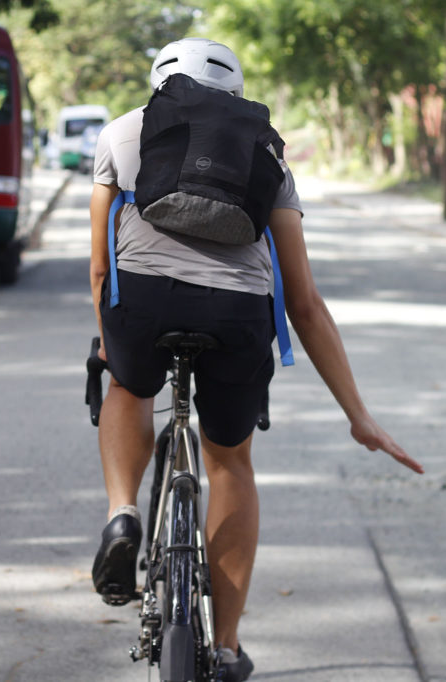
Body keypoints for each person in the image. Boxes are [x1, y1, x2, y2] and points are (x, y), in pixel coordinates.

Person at [88, 37, 424, 682]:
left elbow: (102, 262)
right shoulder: (266, 151)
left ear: (159, 82)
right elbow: (304, 300)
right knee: (230, 460)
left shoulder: (121, 134)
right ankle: (225, 647)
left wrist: (111, 336)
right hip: (236, 315)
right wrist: (359, 415)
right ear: (235, 95)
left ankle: (122, 513)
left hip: (146, 302)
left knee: (127, 388)